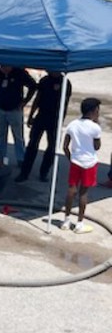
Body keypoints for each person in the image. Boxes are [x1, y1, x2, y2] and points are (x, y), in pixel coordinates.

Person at [15, 72, 72, 183]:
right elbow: (38, 98)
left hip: (54, 118)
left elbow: (65, 104)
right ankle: (24, 172)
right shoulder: (45, 80)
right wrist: (31, 115)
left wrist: (61, 121)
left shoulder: (65, 82)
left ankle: (44, 172)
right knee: (32, 145)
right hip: (41, 115)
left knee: (51, 147)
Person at [0, 65, 37, 165]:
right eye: (2, 66)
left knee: (18, 136)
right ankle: (0, 158)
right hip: (0, 108)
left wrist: (25, 101)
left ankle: (21, 159)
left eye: (6, 66)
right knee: (1, 135)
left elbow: (33, 86)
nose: (4, 69)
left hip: (15, 109)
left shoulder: (19, 73)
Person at [61, 97, 102, 234]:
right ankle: (79, 223)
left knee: (71, 189)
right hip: (89, 163)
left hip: (76, 161)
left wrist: (70, 158)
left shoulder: (72, 124)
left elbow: (65, 146)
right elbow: (97, 147)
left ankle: (66, 220)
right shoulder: (95, 128)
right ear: (93, 111)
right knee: (83, 192)